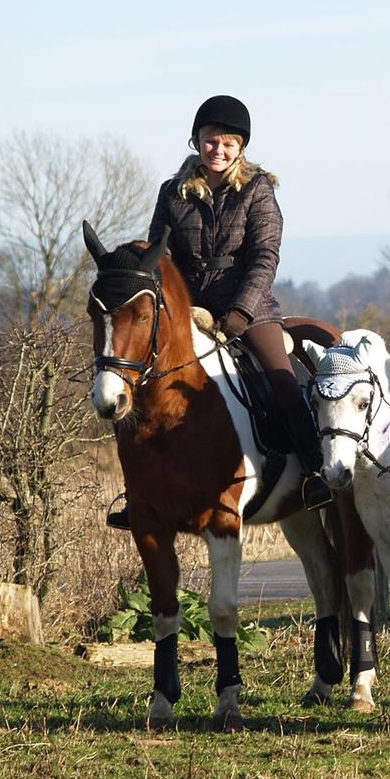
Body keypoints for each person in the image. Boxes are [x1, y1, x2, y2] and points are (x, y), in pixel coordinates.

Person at [106, 95, 331, 528]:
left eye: (228, 142)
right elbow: (158, 257)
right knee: (135, 385)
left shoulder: (259, 189)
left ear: (240, 147)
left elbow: (265, 256)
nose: (219, 150)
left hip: (250, 309)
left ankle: (314, 472)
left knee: (282, 381)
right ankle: (139, 493)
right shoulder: (172, 193)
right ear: (197, 141)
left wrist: (240, 314)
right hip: (188, 312)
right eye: (211, 141)